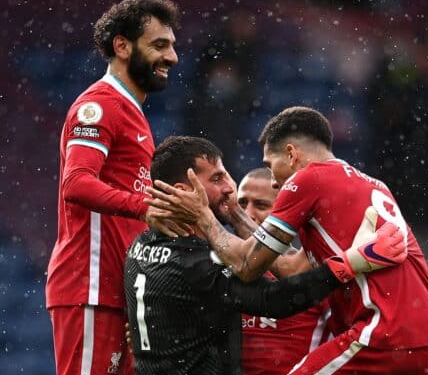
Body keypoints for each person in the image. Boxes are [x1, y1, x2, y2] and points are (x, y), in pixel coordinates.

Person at [146, 106, 428, 374]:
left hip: (384, 336)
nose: (273, 180)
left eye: (271, 166)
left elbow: (246, 266)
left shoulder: (308, 179)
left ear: (291, 154)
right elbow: (295, 271)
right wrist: (234, 216)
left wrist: (204, 216)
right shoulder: (370, 185)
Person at [124, 135, 404, 375]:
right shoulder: (204, 261)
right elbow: (273, 298)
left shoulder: (141, 245)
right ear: (186, 191)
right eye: (217, 179)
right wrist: (352, 261)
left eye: (260, 205)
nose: (229, 190)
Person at [45, 0, 182, 375]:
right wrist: (146, 208)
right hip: (89, 286)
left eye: (171, 46)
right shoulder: (100, 105)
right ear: (121, 46)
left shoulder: (133, 113)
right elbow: (76, 182)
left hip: (120, 291)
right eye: (159, 45)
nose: (172, 57)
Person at [237, 168, 332, 375]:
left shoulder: (317, 273)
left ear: (284, 212)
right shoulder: (220, 270)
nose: (247, 215)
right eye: (242, 204)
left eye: (260, 205)